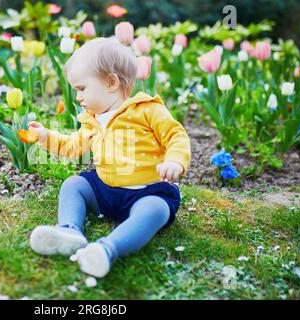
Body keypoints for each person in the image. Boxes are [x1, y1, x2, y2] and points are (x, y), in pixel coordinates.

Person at [28, 37, 191, 278]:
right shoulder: (91, 121)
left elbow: (176, 135)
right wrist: (45, 136)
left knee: (156, 209)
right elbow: (72, 145)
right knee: (74, 184)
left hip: (147, 191)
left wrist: (175, 161)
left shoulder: (147, 110)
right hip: (106, 190)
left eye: (82, 89)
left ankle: (106, 249)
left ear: (111, 82)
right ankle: (70, 231)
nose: (78, 97)